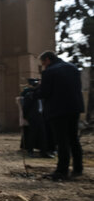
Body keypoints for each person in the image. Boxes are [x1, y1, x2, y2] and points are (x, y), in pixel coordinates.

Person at [36, 51, 84, 181]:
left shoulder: (49, 72)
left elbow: (45, 93)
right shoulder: (73, 68)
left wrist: (36, 91)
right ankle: (78, 168)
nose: (43, 66)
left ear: (47, 59)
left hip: (58, 110)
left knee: (62, 140)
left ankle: (62, 171)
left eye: (43, 63)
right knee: (74, 139)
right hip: (74, 108)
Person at [21, 78, 53, 158]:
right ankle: (30, 151)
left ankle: (43, 152)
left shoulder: (43, 97)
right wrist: (25, 117)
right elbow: (26, 107)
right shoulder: (30, 95)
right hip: (33, 117)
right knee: (32, 134)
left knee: (43, 135)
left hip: (41, 117)